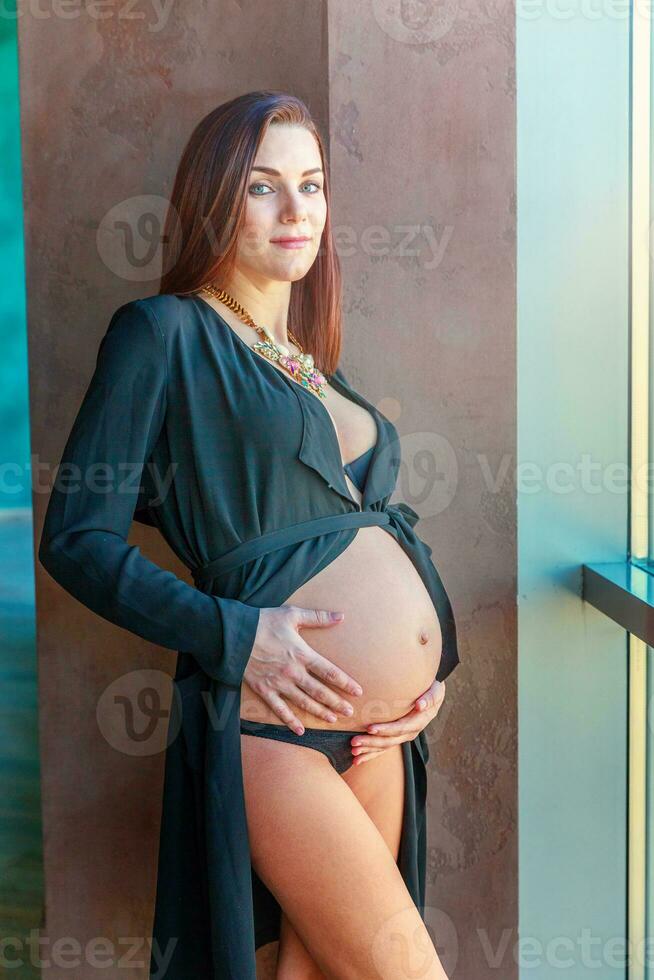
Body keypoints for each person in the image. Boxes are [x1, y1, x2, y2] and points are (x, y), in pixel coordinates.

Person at [38, 90, 461, 979]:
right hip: (276, 724)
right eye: (263, 187)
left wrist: (427, 675)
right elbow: (77, 539)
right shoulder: (163, 334)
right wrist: (243, 637)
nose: (296, 210)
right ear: (213, 200)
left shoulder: (312, 360)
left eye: (310, 185)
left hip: (378, 737)